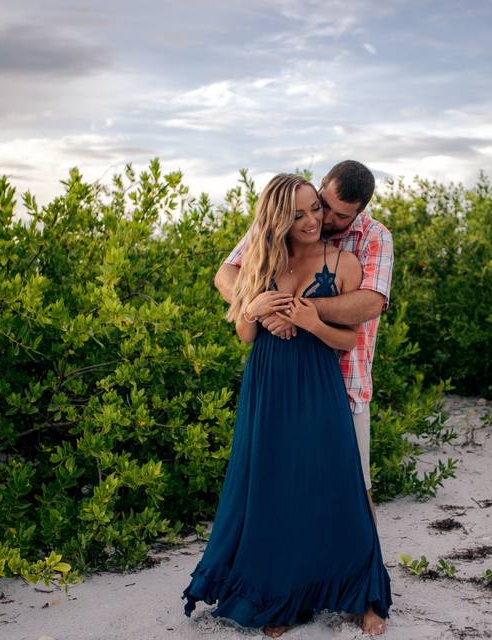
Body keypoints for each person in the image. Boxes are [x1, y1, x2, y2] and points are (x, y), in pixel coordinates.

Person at [182, 173, 391, 637]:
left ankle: (362, 595)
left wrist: (307, 317)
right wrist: (256, 309)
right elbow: (242, 326)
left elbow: (355, 327)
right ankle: (281, 599)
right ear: (280, 217)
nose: (316, 219)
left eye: (317, 210)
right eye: (303, 212)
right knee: (274, 487)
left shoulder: (349, 257)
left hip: (322, 383)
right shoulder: (262, 255)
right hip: (268, 382)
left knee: (343, 487)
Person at [214, 160, 393, 523]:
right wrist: (259, 309)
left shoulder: (373, 237)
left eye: (337, 215)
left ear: (359, 212)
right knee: (279, 480)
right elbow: (227, 273)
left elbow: (371, 302)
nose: (322, 219)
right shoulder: (288, 214)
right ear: (322, 184)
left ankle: (362, 573)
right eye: (321, 204)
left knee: (355, 485)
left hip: (345, 378)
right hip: (279, 380)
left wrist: (298, 311)